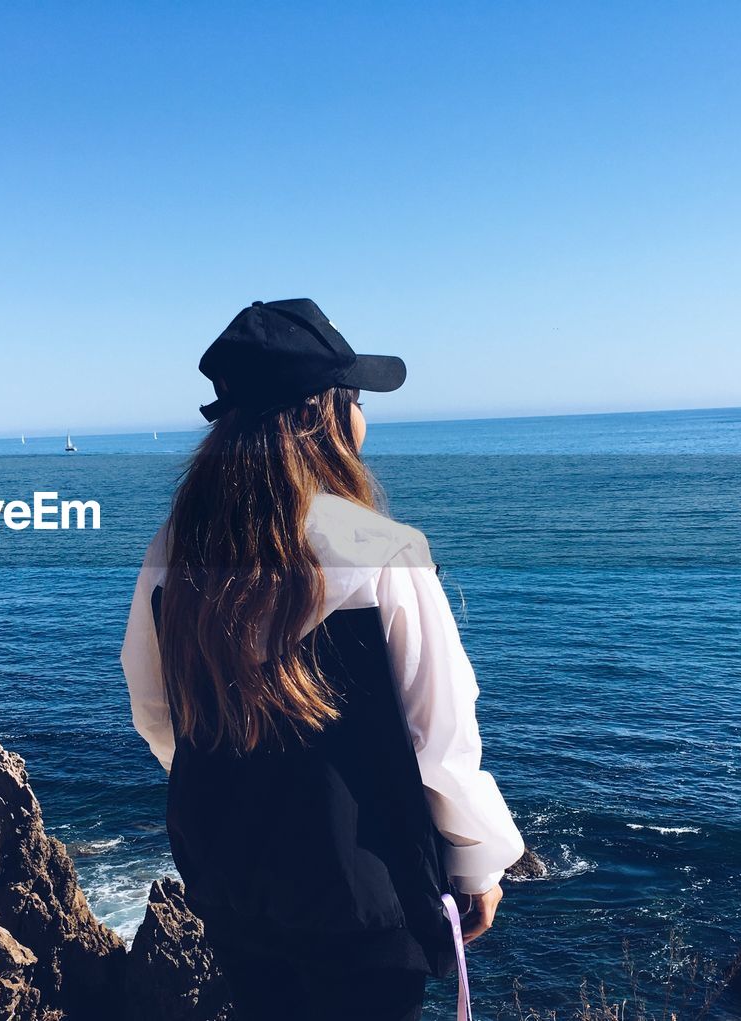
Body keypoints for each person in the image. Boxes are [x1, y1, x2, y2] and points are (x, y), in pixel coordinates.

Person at [120, 299, 524, 1021]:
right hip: (362, 901)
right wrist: (478, 861)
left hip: (233, 884)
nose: (363, 416)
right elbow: (441, 741)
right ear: (321, 414)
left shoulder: (171, 549)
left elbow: (155, 711)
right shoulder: (382, 550)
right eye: (356, 399)